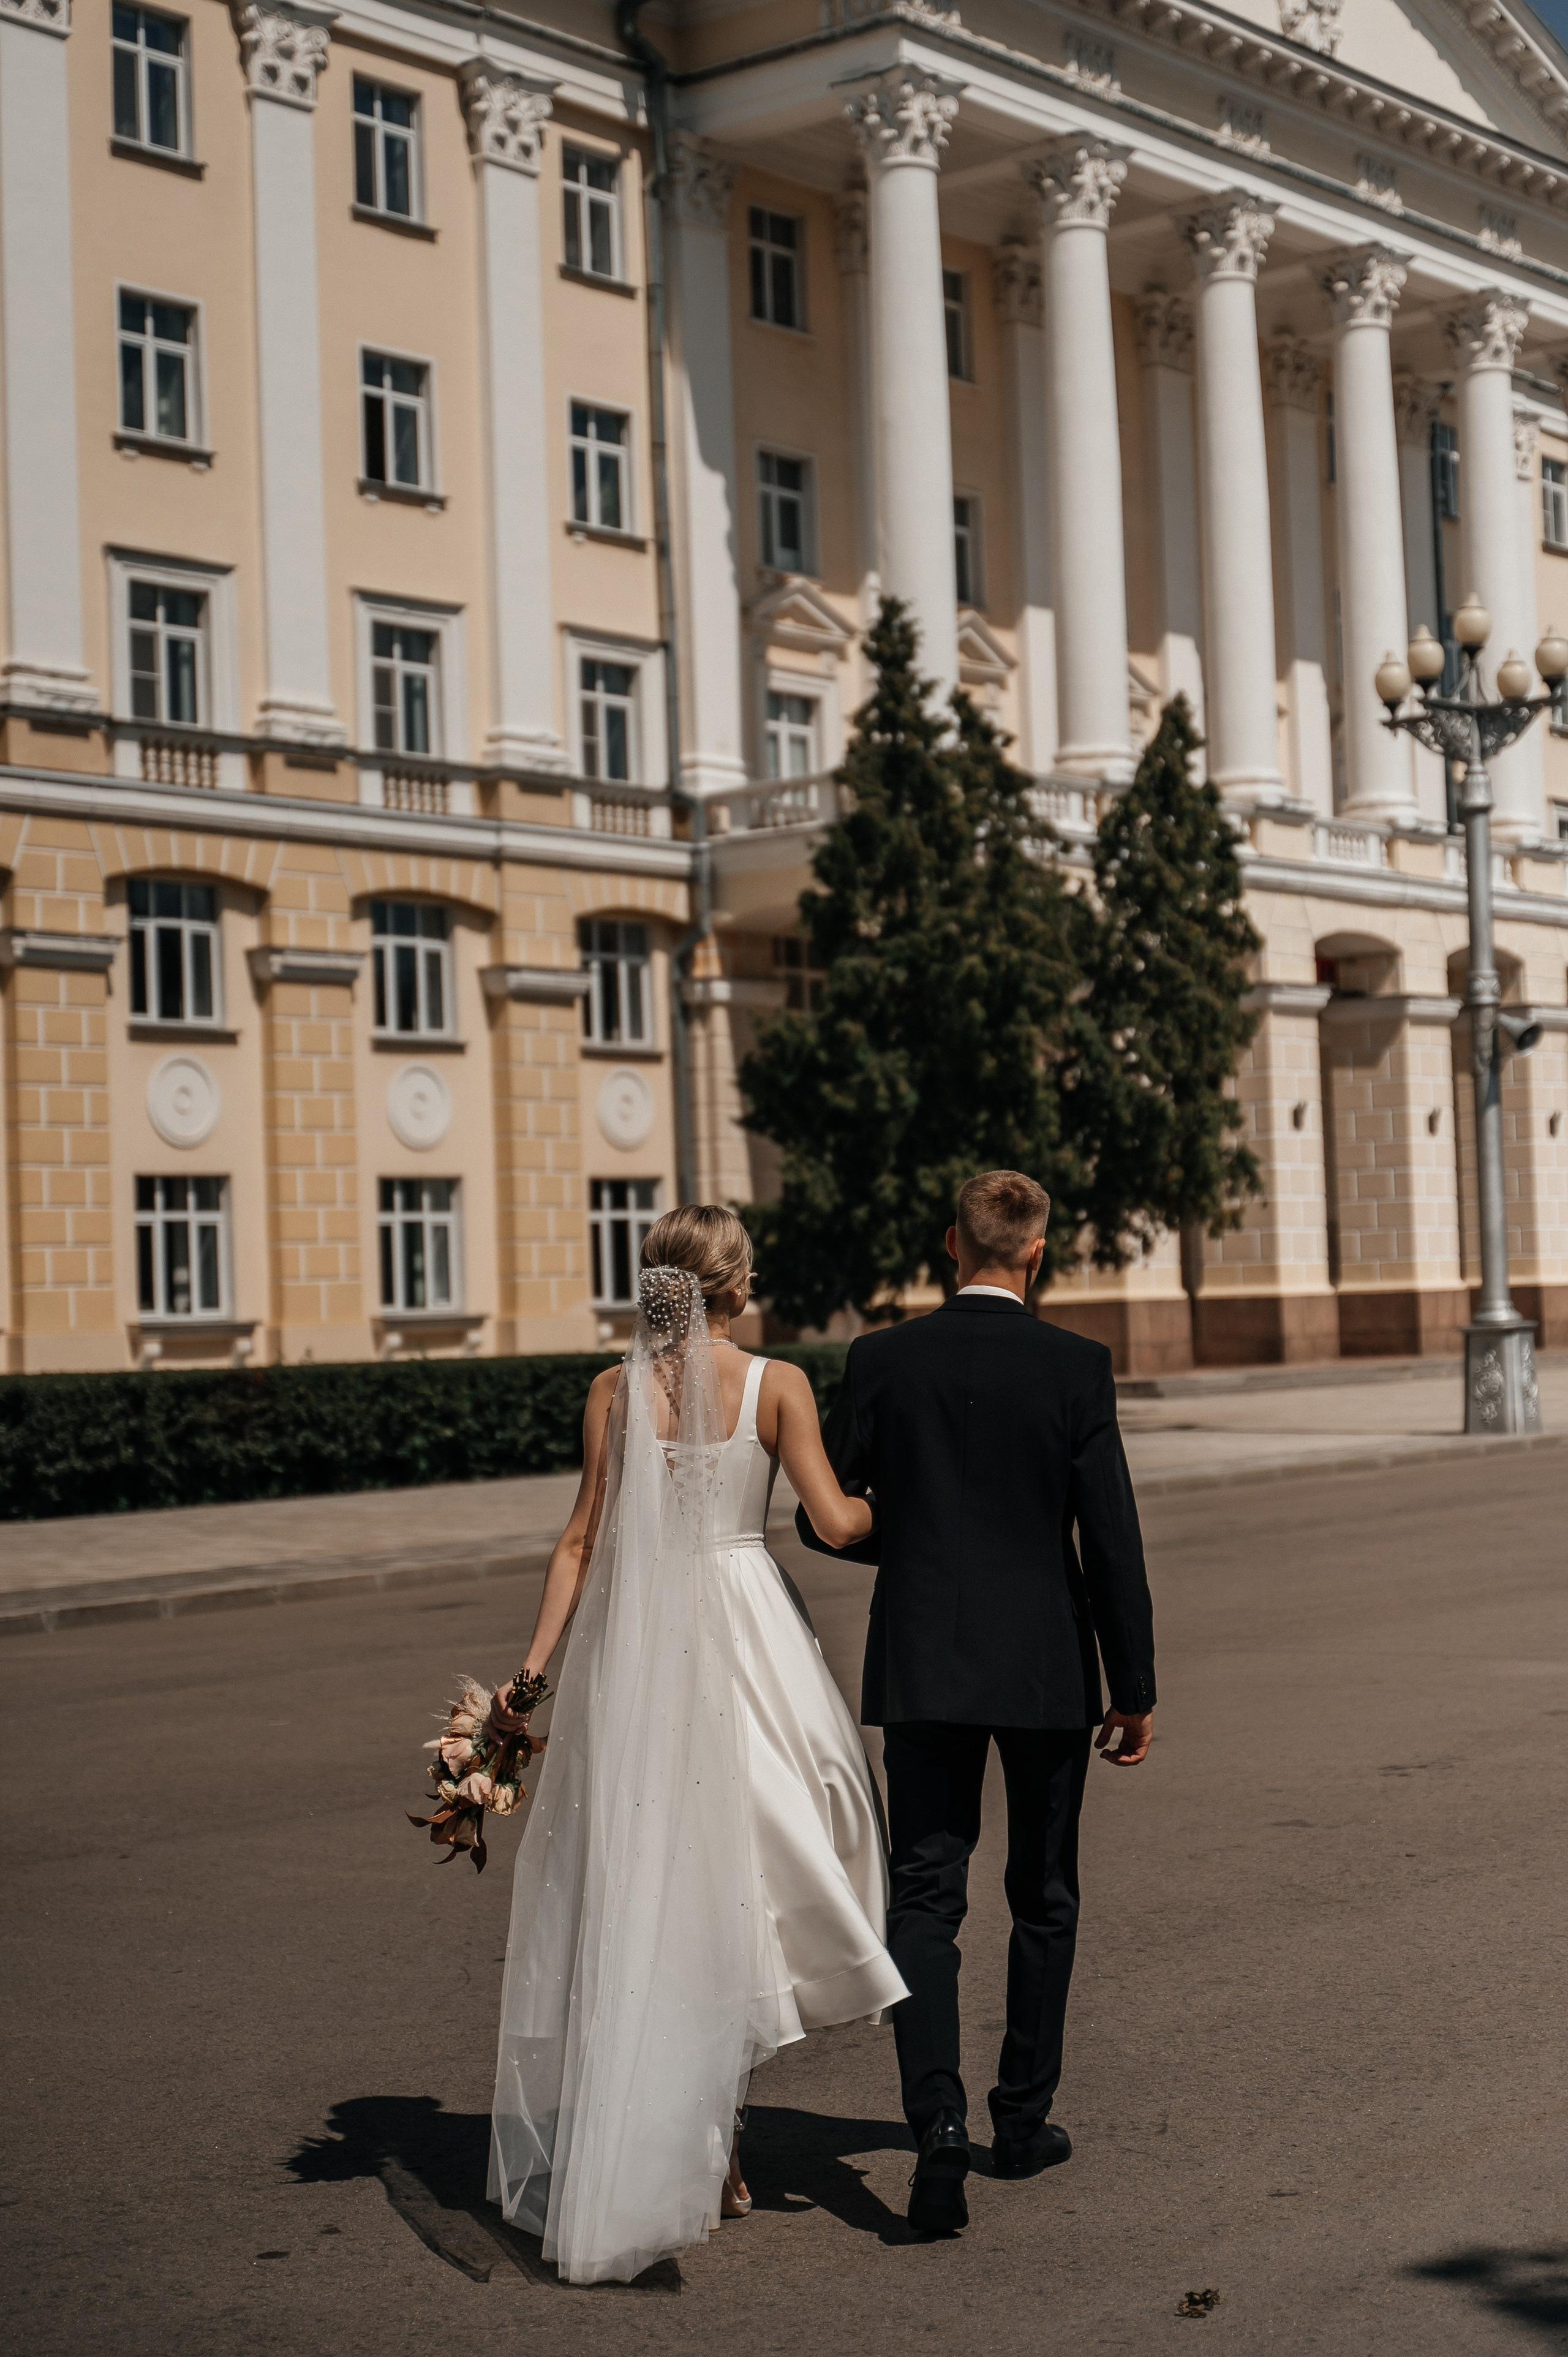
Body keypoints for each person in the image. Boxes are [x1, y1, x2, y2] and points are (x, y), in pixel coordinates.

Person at [484, 1205, 907, 2285]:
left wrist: (526, 1685)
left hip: (641, 1643)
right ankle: (720, 2110)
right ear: (735, 1284)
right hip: (748, 1631)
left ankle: (694, 2138)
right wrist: (891, 1498)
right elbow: (840, 1522)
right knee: (786, 1848)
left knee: (657, 1878)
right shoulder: (776, 1385)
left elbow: (580, 1539)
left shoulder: (614, 1390)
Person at [796, 1169, 1156, 2235]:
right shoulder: (1076, 1367)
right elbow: (1112, 1537)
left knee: (925, 1895)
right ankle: (1021, 2118)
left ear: (952, 1242)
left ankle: (936, 2123)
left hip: (926, 1661)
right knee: (1044, 1892)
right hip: (1047, 1665)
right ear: (1036, 1251)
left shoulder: (882, 1358)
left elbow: (830, 1517)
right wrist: (1132, 1687)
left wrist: (915, 1558)